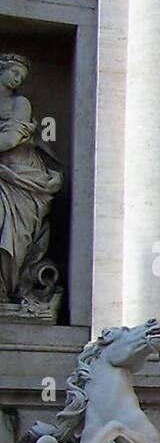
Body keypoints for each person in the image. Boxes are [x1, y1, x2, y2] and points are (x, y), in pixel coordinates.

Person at [0, 52, 63, 305]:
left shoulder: (20, 104)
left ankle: (5, 288)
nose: (17, 79)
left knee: (9, 229)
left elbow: (10, 139)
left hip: (21, 178)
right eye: (13, 72)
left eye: (21, 76)